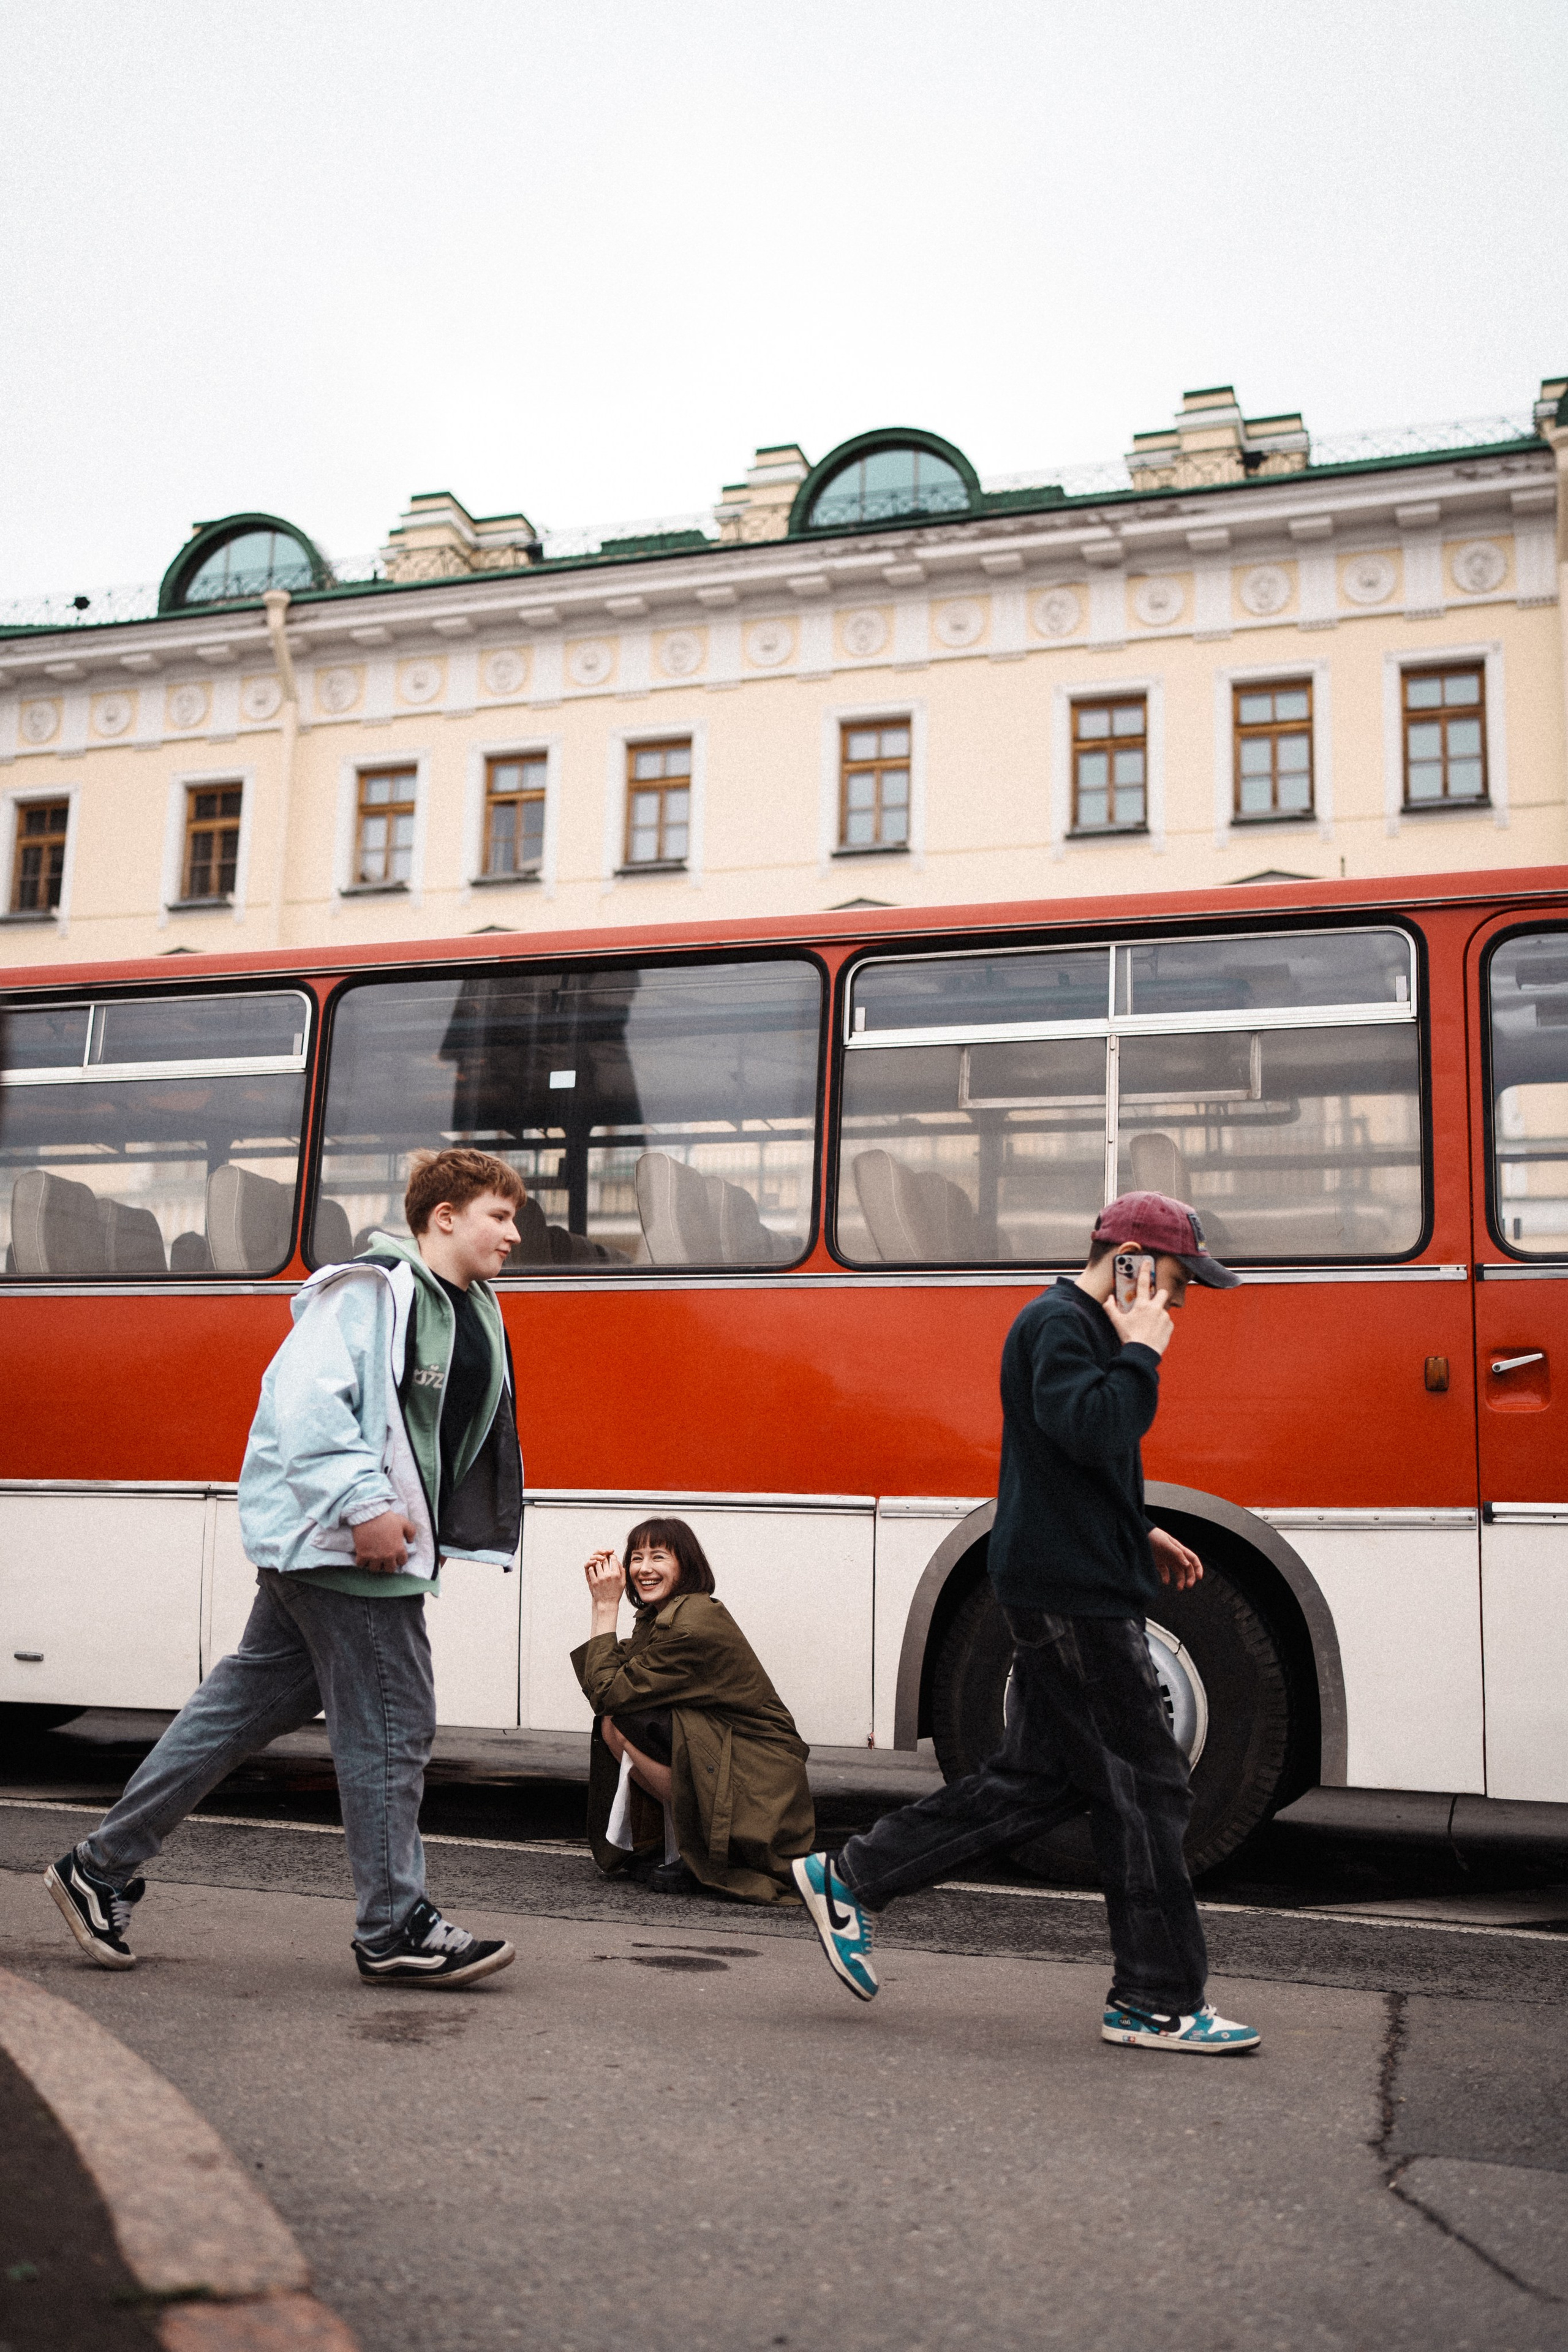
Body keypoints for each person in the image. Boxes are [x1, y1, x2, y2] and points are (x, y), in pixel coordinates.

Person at [793, 1189, 1262, 2056]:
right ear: (1128, 1258)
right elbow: (1093, 1425)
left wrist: (1138, 1526)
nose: (1182, 1299)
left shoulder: (1078, 1328)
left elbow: (1066, 1461)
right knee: (1147, 1788)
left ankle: (850, 1875)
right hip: (1070, 1596)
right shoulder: (1064, 1326)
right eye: (1176, 1277)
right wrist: (1144, 1355)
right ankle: (1155, 2001)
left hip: (1073, 1575)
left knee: (1043, 1782)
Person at [45, 1147, 527, 1988]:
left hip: (337, 1545)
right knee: (392, 1727)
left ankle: (99, 1868)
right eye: (500, 1215)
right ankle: (393, 1927)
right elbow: (304, 1405)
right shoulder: (373, 1291)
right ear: (443, 1216)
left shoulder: (461, 1303)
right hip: (344, 1546)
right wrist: (364, 1508)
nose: (515, 1235)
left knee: (231, 1716)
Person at [573, 1518, 814, 1904]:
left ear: (685, 1565)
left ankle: (699, 1850)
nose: (644, 1569)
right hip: (737, 1758)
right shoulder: (663, 1615)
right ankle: (671, 1847)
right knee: (616, 1724)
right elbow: (615, 1693)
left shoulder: (692, 1624)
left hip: (759, 1776)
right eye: (636, 1557)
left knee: (622, 1720)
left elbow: (609, 1692)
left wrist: (604, 1605)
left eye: (658, 1556)